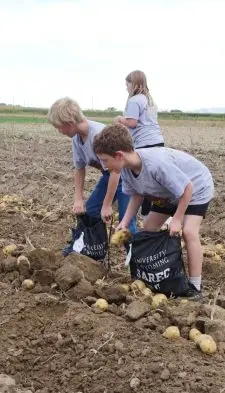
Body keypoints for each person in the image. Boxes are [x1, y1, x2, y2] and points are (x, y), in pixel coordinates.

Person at [93, 123, 214, 297]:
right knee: (149, 229)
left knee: (188, 232)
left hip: (195, 187)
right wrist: (125, 222)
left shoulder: (155, 164)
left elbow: (187, 188)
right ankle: (160, 272)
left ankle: (195, 287)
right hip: (167, 193)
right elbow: (136, 195)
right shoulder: (126, 169)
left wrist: (177, 219)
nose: (103, 166)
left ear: (119, 155)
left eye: (105, 160)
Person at [47, 97, 137, 234]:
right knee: (91, 212)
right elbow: (79, 168)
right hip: (109, 176)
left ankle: (134, 253)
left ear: (70, 123)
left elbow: (116, 172)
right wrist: (78, 199)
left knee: (126, 225)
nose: (60, 131)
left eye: (59, 127)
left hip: (125, 177)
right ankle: (92, 250)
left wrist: (107, 205)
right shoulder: (77, 139)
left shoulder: (98, 134)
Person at [114, 70, 165, 218]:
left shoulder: (134, 100)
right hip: (157, 141)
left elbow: (132, 122)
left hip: (144, 144)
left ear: (134, 83)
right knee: (155, 177)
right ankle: (157, 210)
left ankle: (145, 212)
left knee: (142, 177)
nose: (126, 88)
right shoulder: (150, 100)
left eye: (127, 84)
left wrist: (119, 119)